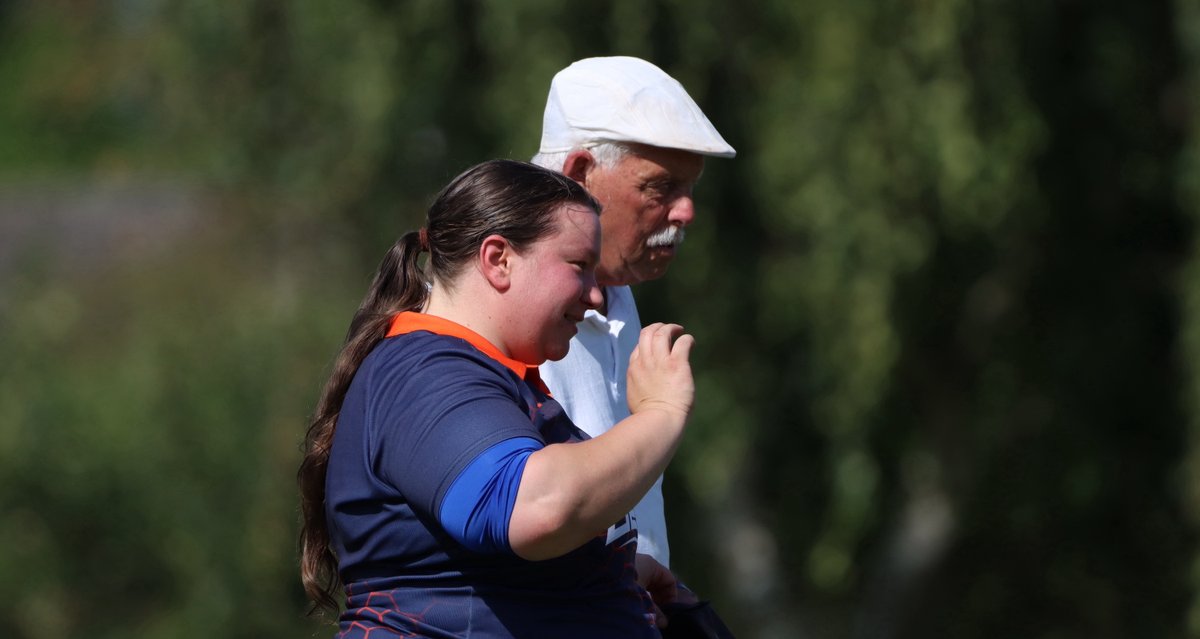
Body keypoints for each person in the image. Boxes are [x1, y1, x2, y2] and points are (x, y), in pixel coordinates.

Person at [297, 159, 696, 637]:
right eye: (579, 266)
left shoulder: (476, 374)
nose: (594, 295)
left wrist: (611, 571)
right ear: (498, 259)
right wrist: (661, 412)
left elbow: (483, 565)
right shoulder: (424, 371)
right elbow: (533, 508)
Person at [531, 56, 736, 570]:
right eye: (660, 187)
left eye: (690, 189)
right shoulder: (488, 314)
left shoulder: (617, 291)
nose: (686, 211)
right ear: (580, 174)